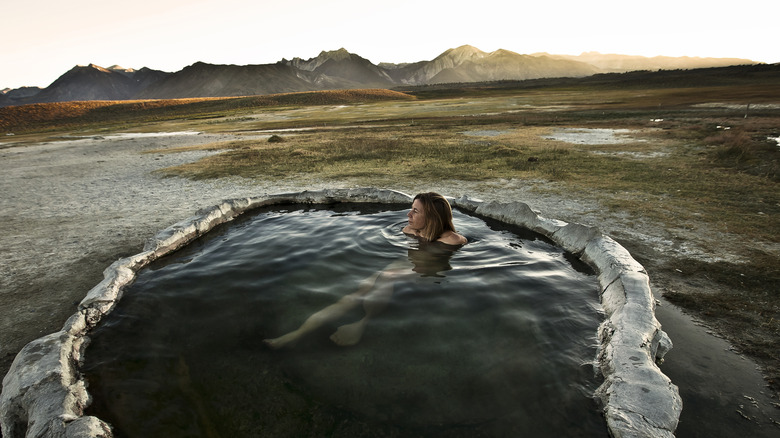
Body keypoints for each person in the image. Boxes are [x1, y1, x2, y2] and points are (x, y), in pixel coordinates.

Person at [263, 192, 467, 349]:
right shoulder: (410, 229)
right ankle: (298, 334)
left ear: (431, 216)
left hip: (428, 271)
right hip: (408, 264)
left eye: (415, 211)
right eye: (411, 209)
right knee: (356, 293)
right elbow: (412, 241)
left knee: (386, 277)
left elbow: (441, 263)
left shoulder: (450, 239)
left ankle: (363, 322)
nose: (408, 214)